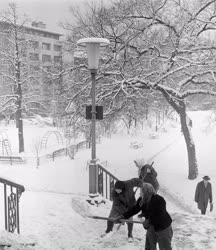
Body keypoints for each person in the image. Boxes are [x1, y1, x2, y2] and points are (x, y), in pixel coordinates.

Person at [115, 183, 173, 250]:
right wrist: (122, 216)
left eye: (141, 191)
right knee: (149, 247)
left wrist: (149, 221)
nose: (140, 193)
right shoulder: (142, 200)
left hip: (163, 228)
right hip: (151, 227)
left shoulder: (159, 200)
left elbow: (160, 215)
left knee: (165, 248)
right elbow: (134, 209)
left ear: (147, 192)